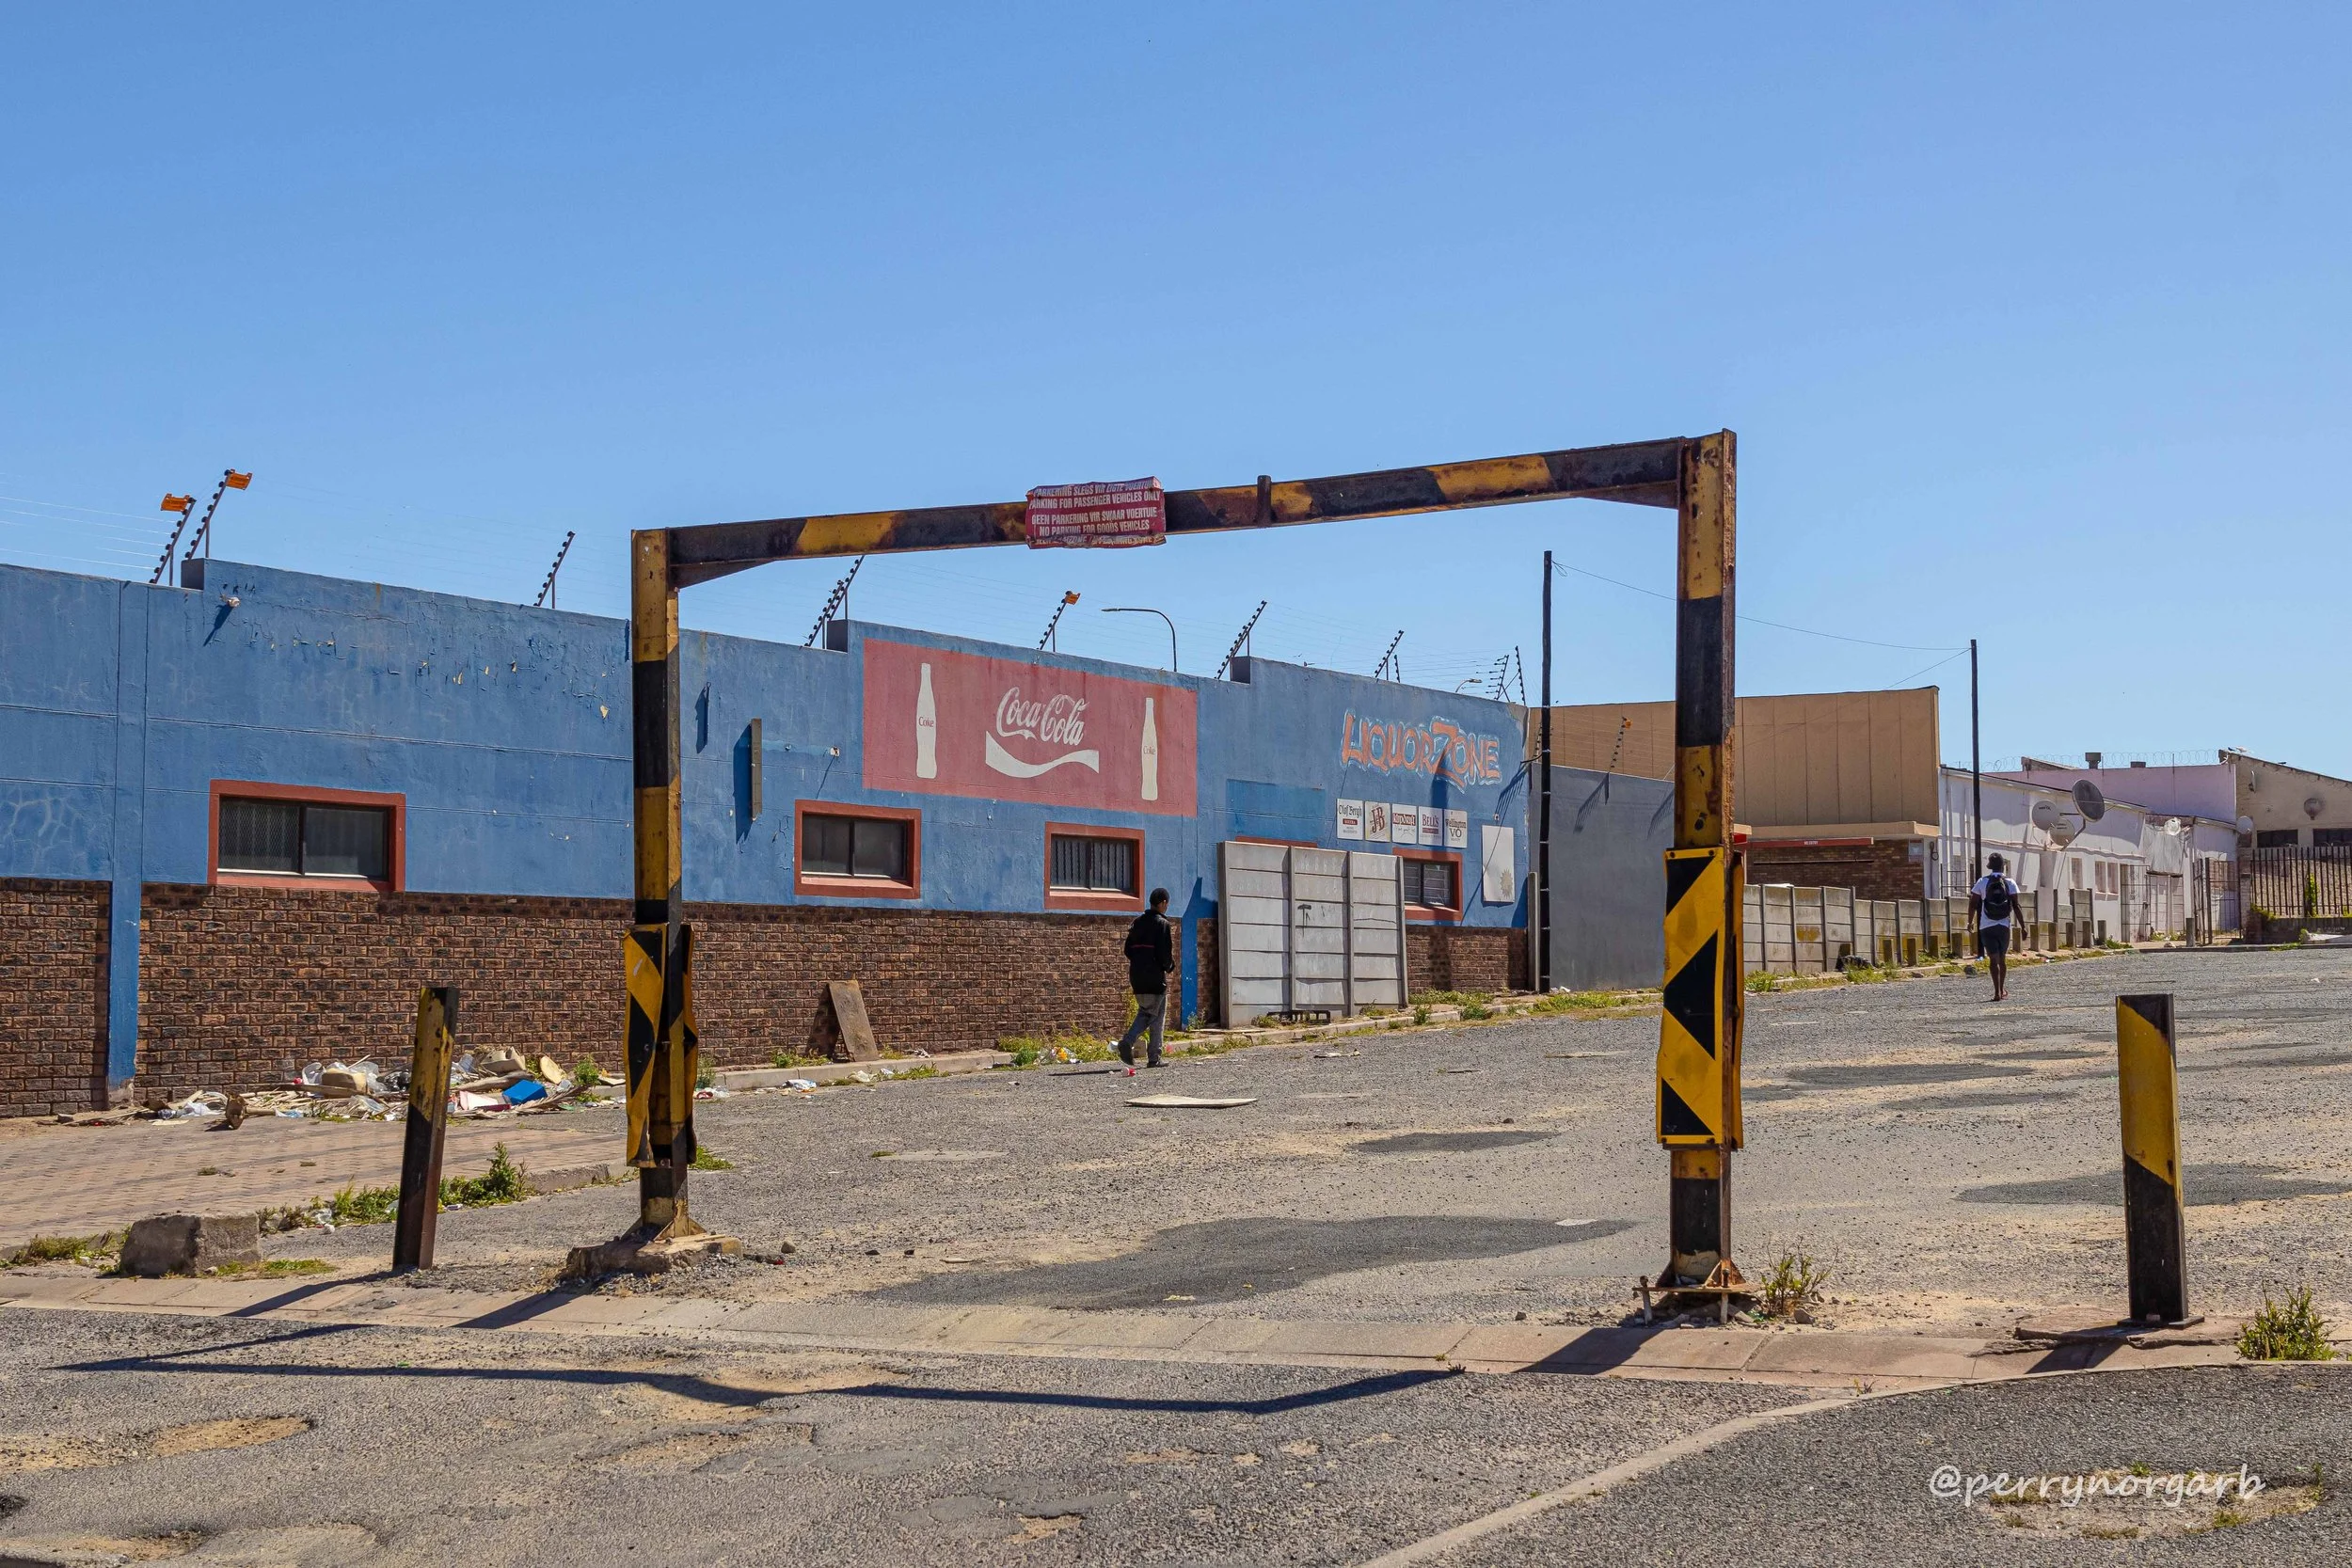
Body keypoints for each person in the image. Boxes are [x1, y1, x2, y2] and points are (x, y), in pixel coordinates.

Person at [1118, 888, 1176, 1072]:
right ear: (1164, 903)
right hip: (1154, 978)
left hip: (1137, 976)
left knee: (1156, 1014)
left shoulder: (1137, 923)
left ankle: (1154, 1057)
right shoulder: (1162, 924)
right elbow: (1164, 954)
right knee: (1149, 1014)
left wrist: (1140, 961)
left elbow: (1128, 950)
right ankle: (1128, 1041)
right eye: (1167, 903)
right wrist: (1169, 966)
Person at [1969, 852, 2022, 1002]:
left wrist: (1970, 921)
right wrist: (2023, 927)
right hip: (2004, 925)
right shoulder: (2010, 882)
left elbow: (1973, 903)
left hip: (1986, 925)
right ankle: (2002, 988)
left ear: (1989, 867)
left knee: (1993, 959)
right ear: (2003, 865)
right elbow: (2016, 906)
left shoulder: (1982, 882)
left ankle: (1996, 992)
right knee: (2002, 959)